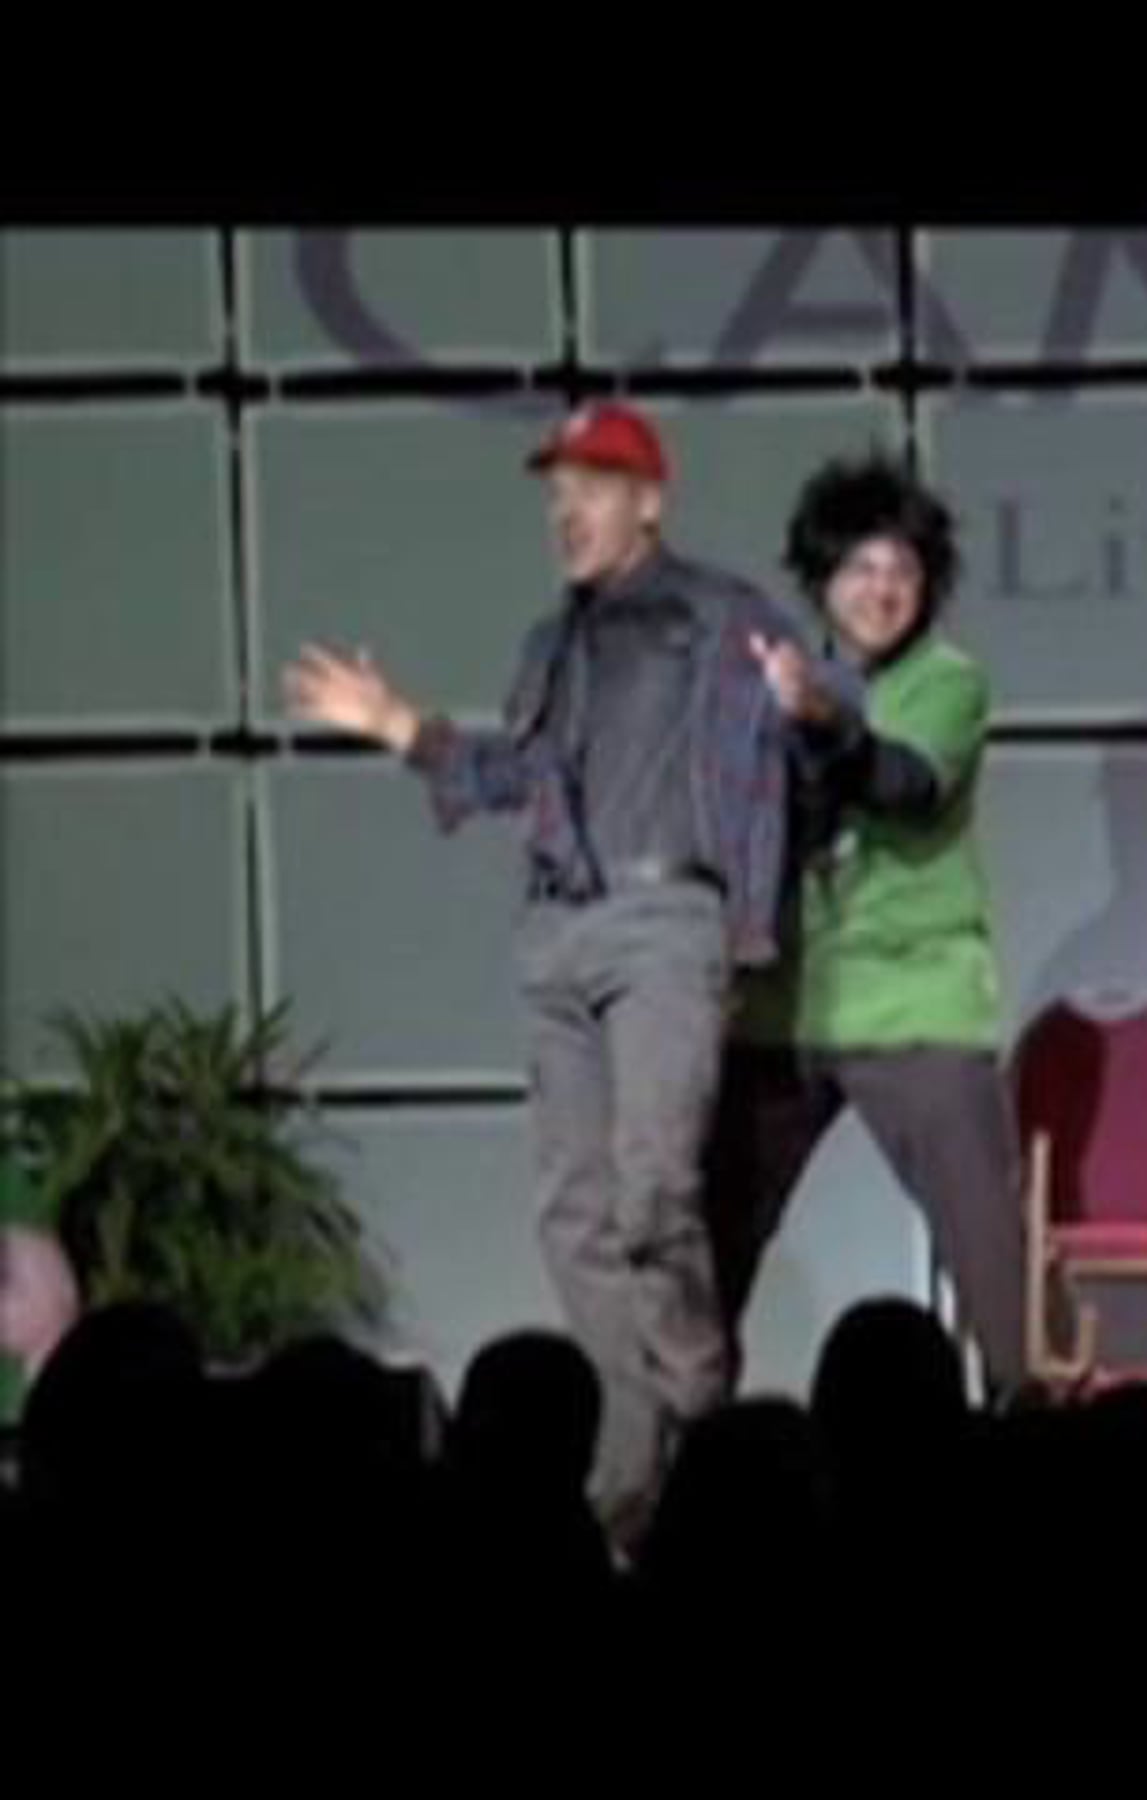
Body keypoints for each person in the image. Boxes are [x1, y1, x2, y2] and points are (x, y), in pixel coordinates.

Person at [281, 401, 800, 1552]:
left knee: (653, 1187)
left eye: (593, 488)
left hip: (666, 919)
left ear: (649, 502)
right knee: (574, 1216)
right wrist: (400, 725)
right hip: (560, 930)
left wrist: (807, 720)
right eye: (558, 492)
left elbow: (807, 720)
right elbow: (515, 777)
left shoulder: (716, 615)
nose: (568, 510)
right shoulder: (548, 645)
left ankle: (702, 1410)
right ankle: (631, 1475)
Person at [707, 452, 1029, 1401]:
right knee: (707, 1257)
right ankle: (684, 1452)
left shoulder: (948, 684)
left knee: (990, 1264)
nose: (882, 590)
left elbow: (907, 782)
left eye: (903, 572)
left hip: (915, 1001)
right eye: (860, 568)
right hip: (785, 1005)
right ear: (821, 579)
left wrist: (822, 721)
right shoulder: (770, 682)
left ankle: (1033, 1433)